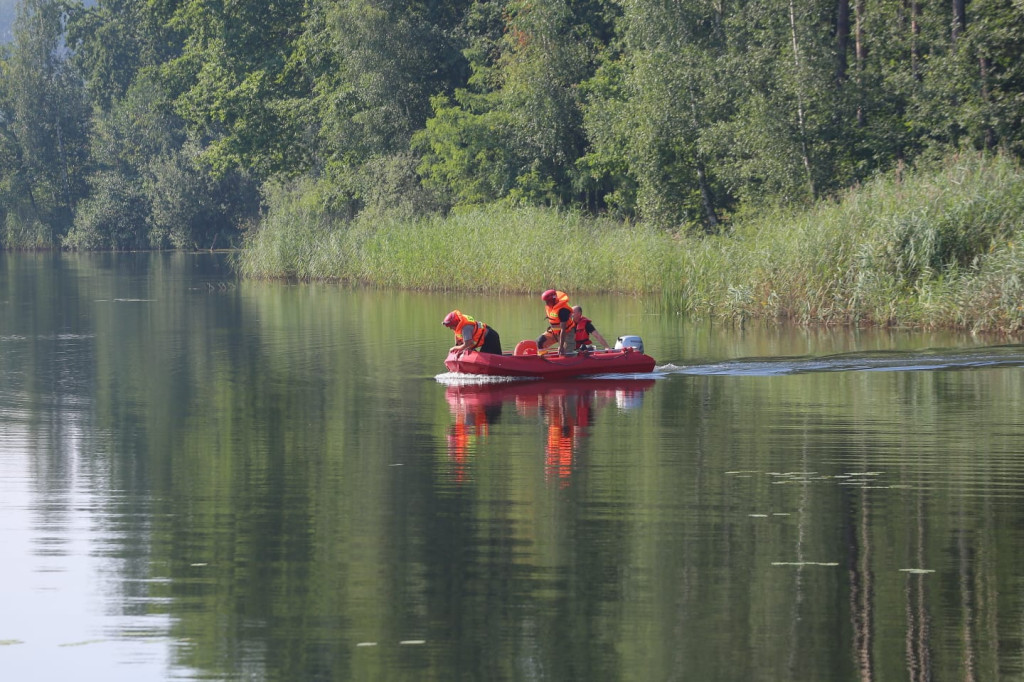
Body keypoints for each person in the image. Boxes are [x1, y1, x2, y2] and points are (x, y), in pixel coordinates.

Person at [536, 289, 575, 354]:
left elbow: (563, 329)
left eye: (547, 301)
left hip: (567, 333)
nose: (546, 303)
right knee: (540, 341)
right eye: (545, 301)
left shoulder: (563, 310)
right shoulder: (550, 307)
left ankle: (567, 353)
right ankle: (543, 358)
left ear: (553, 300)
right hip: (554, 332)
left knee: (565, 353)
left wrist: (561, 346)